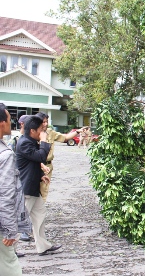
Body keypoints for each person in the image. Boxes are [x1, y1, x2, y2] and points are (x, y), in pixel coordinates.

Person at [16, 116, 62, 256]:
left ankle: (43, 246)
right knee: (19, 220)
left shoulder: (30, 141)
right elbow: (41, 157)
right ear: (32, 130)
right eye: (41, 130)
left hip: (32, 186)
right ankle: (8, 250)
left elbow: (32, 163)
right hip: (26, 188)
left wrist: (40, 175)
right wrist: (44, 141)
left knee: (40, 215)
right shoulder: (24, 143)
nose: (44, 133)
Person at [35, 112, 83, 202]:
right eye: (43, 122)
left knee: (43, 191)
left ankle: (39, 212)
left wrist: (77, 132)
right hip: (36, 165)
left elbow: (65, 137)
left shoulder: (50, 132)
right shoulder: (33, 132)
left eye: (46, 121)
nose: (45, 124)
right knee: (32, 191)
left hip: (47, 166)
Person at [0, 103, 23, 275]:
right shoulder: (5, 154)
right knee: (10, 267)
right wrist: (10, 230)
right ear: (2, 123)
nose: (10, 123)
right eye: (9, 119)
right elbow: (5, 193)